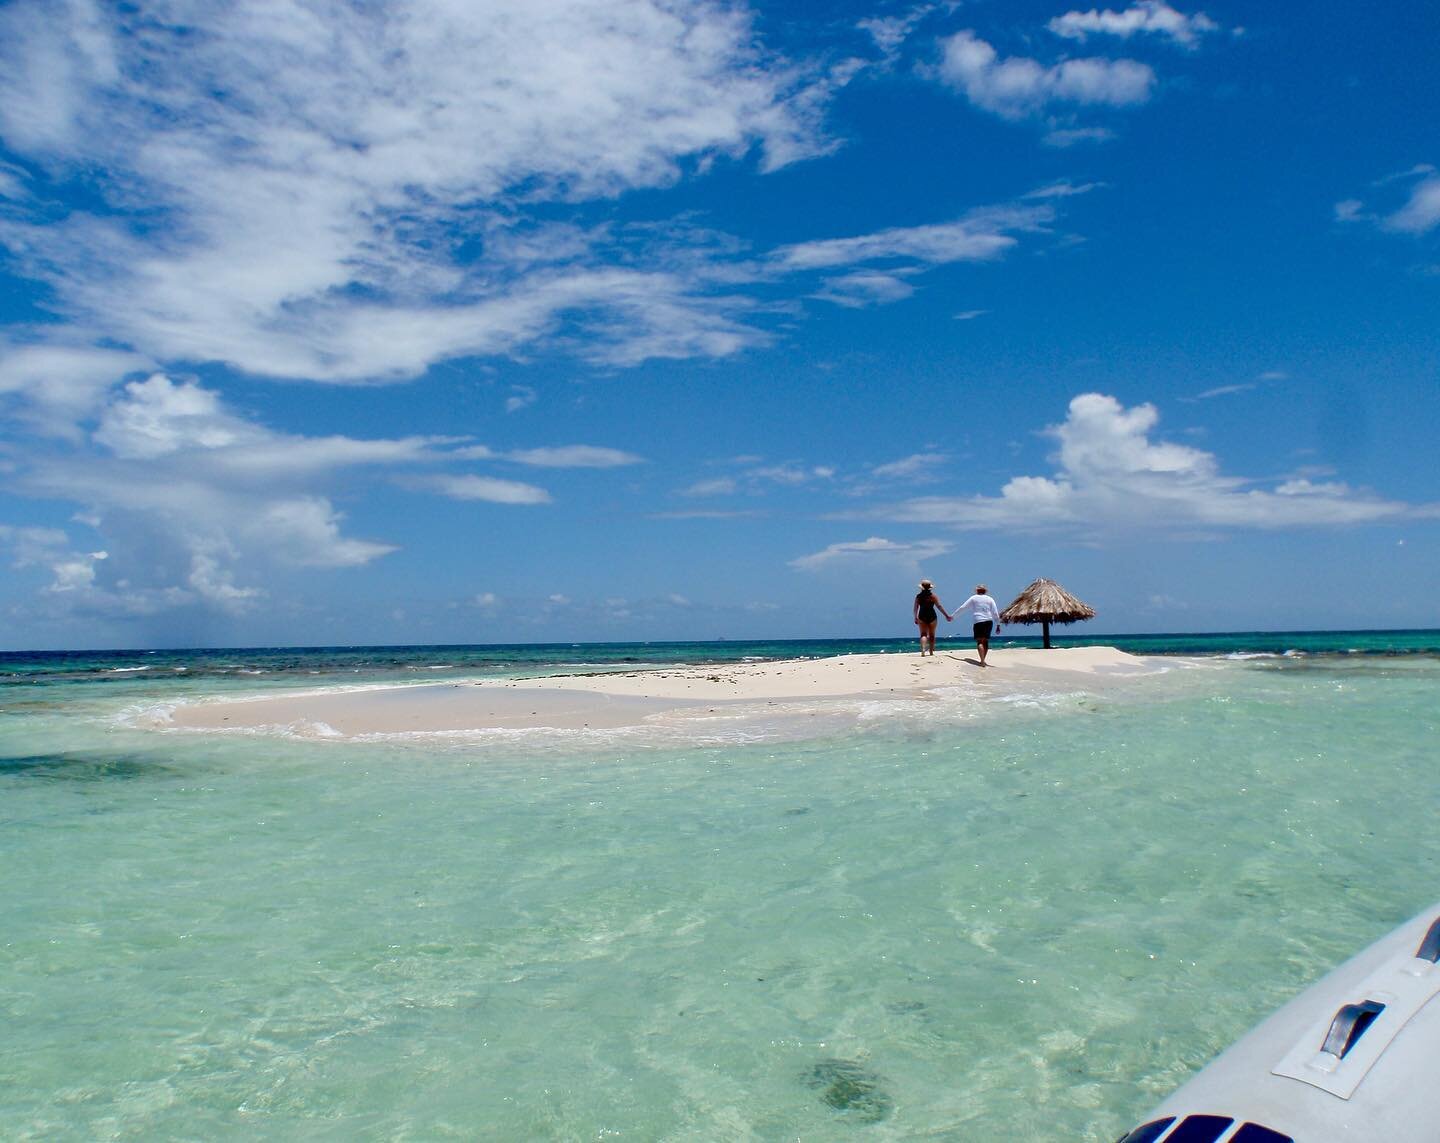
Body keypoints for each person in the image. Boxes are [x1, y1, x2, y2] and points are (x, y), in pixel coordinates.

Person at [955, 584, 1002, 666]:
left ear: (977, 590)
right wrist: (998, 624)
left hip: (978, 621)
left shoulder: (973, 598)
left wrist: (953, 616)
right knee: (986, 641)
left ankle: (982, 660)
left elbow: (963, 607)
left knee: (980, 641)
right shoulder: (990, 599)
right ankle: (983, 660)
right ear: (985, 591)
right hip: (988, 621)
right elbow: (995, 612)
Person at [913, 579, 953, 656]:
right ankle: (931, 651)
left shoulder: (918, 596)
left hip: (922, 615)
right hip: (932, 615)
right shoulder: (933, 596)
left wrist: (915, 617)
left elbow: (915, 608)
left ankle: (923, 649)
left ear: (921, 587)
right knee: (932, 634)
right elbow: (939, 606)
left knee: (923, 634)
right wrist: (946, 615)